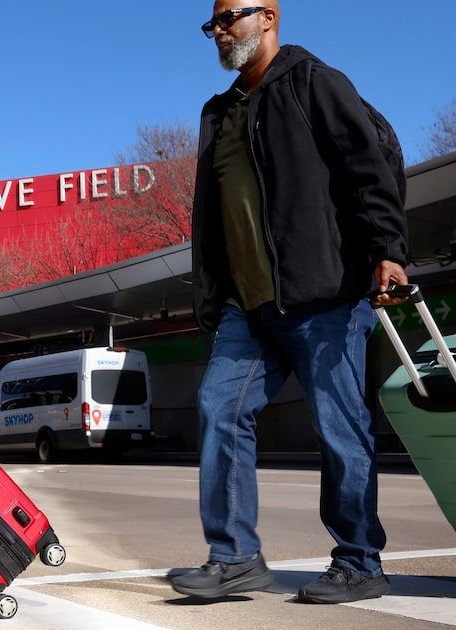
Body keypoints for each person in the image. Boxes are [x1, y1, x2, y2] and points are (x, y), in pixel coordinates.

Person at [169, 0, 409, 605]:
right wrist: (212, 292)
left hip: (323, 296)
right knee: (220, 409)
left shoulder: (312, 82)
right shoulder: (219, 112)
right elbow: (213, 215)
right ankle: (234, 559)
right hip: (246, 308)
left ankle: (359, 560)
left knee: (339, 428)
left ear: (269, 18)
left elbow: (368, 168)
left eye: (230, 18)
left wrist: (387, 250)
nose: (219, 32)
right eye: (212, 24)